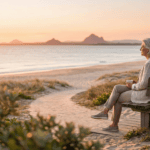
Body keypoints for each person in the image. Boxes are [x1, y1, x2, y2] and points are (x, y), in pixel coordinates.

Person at [91, 38, 150, 132]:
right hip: (145, 91)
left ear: (148, 49)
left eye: (142, 46)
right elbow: (144, 82)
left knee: (118, 99)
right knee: (117, 88)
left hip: (144, 95)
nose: (140, 49)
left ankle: (113, 125)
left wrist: (133, 86)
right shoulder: (148, 63)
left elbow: (143, 85)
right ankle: (105, 112)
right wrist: (136, 83)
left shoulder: (148, 64)